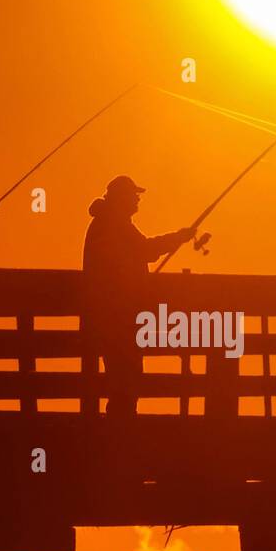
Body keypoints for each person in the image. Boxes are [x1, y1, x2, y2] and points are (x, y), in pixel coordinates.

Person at [82, 176, 194, 417]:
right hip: (116, 318)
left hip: (112, 316)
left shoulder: (109, 222)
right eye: (134, 195)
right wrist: (178, 237)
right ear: (122, 199)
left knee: (122, 379)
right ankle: (120, 430)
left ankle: (118, 428)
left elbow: (138, 253)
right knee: (126, 378)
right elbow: (144, 250)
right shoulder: (114, 224)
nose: (137, 200)